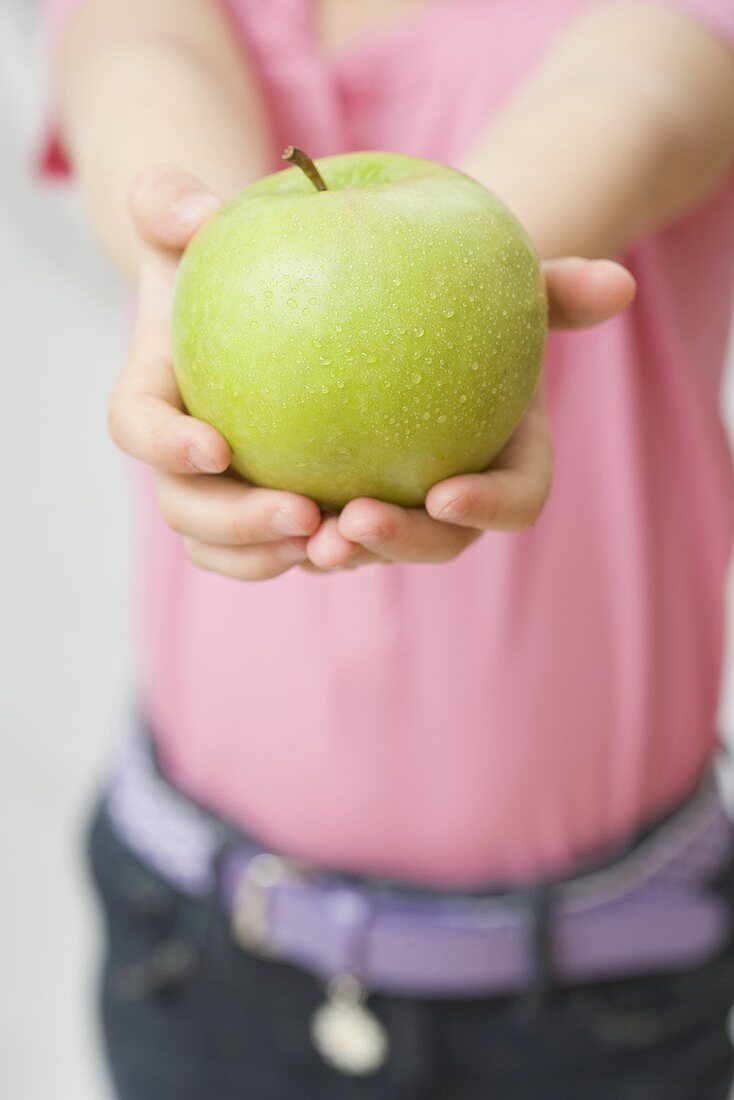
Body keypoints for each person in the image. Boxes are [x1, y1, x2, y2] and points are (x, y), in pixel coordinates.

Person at [44, 0, 734, 1096]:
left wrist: (479, 276)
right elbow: (134, 47)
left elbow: (648, 87)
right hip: (203, 941)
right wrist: (188, 253)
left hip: (613, 979)